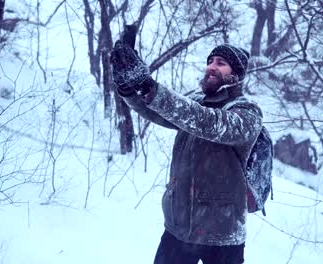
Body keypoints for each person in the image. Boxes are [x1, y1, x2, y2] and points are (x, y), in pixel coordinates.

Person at [110, 39, 263, 264]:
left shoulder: (247, 112)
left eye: (221, 63)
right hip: (178, 227)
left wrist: (147, 85)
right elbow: (158, 111)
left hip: (222, 234)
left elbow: (209, 123)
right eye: (210, 61)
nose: (211, 66)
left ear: (236, 74)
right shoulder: (195, 102)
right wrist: (128, 87)